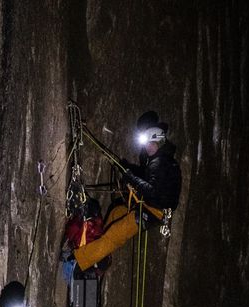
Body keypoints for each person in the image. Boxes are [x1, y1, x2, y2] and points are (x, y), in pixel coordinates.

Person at [73, 111, 181, 271]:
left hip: (153, 211)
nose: (146, 148)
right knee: (117, 212)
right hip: (150, 205)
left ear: (155, 140)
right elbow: (145, 176)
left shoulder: (160, 162)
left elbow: (151, 191)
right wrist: (126, 167)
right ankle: (99, 252)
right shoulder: (158, 159)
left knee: (117, 233)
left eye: (148, 145)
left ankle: (79, 260)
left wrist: (130, 177)